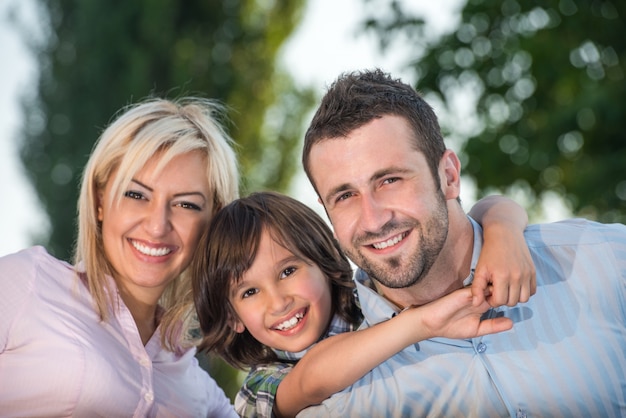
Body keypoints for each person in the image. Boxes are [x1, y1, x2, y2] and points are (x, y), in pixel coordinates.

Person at [300, 68, 626, 417]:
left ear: (449, 176)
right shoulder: (335, 397)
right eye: (345, 195)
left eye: (390, 180)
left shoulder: (608, 263)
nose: (374, 219)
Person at [193, 191, 535, 418]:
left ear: (323, 262)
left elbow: (486, 206)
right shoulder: (258, 387)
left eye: (288, 270)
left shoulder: (372, 293)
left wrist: (503, 233)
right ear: (232, 317)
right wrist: (420, 323)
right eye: (249, 293)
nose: (278, 301)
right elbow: (312, 377)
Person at [0, 98, 239, 417]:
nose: (157, 226)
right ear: (100, 201)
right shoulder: (27, 283)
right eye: (136, 194)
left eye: (186, 204)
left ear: (213, 222)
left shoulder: (195, 384)